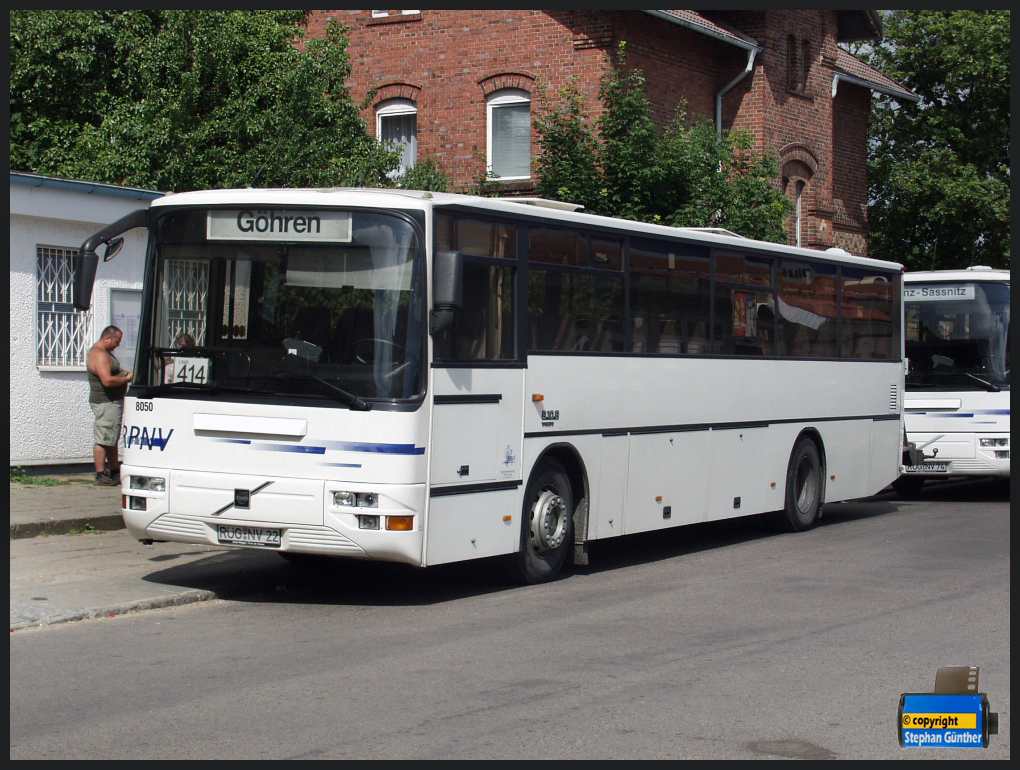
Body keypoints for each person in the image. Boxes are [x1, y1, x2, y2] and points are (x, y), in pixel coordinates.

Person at [87, 326, 133, 486]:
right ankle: (100, 475)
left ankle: (114, 471)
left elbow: (114, 372)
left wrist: (125, 374)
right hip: (106, 402)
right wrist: (126, 380)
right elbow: (107, 380)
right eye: (116, 341)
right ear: (107, 337)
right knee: (103, 438)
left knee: (111, 437)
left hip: (112, 402)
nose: (118, 345)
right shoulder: (99, 354)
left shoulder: (105, 354)